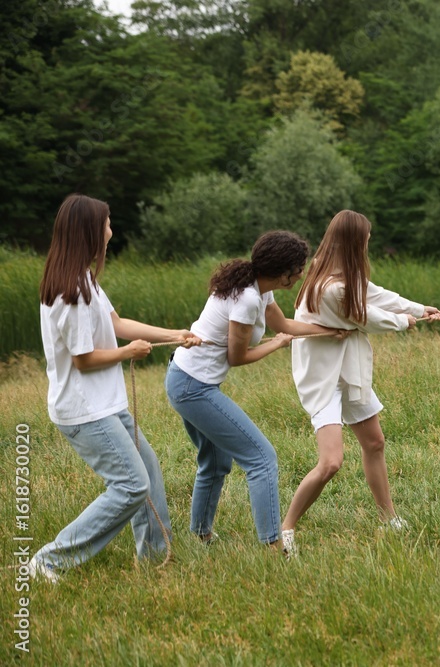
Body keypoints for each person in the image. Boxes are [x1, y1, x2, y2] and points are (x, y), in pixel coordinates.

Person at [30, 194, 199, 583]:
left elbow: (117, 322)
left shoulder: (84, 279)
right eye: (106, 224)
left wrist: (174, 334)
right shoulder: (69, 292)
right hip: (85, 411)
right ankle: (50, 561)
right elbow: (83, 360)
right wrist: (126, 354)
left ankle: (157, 559)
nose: (111, 231)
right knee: (131, 485)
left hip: (104, 405)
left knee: (148, 472)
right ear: (90, 231)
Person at [280, 210, 440, 555]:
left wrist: (418, 309)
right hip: (324, 380)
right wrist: (405, 323)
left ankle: (389, 518)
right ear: (355, 242)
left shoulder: (346, 276)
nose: (369, 241)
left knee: (375, 443)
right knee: (331, 463)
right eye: (366, 237)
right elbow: (365, 316)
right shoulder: (328, 287)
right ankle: (286, 529)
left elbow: (377, 295)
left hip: (348, 373)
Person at [165, 231, 335, 551]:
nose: (302, 273)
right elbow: (237, 357)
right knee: (262, 458)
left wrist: (327, 331)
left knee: (216, 463)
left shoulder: (259, 290)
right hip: (192, 386)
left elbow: (283, 325)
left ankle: (202, 537)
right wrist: (276, 346)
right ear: (283, 272)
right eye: (299, 268)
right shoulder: (246, 299)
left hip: (187, 378)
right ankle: (273, 547)